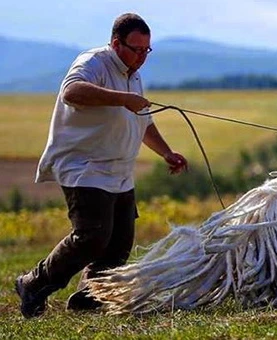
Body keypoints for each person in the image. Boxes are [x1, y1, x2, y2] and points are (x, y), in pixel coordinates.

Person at [14, 13, 189, 318]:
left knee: (119, 243)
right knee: (93, 236)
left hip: (120, 171)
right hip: (84, 166)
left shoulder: (133, 74)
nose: (141, 57)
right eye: (136, 49)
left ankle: (89, 297)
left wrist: (166, 153)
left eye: (146, 51)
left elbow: (142, 122)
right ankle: (33, 284)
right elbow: (72, 92)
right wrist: (122, 98)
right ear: (115, 43)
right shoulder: (93, 63)